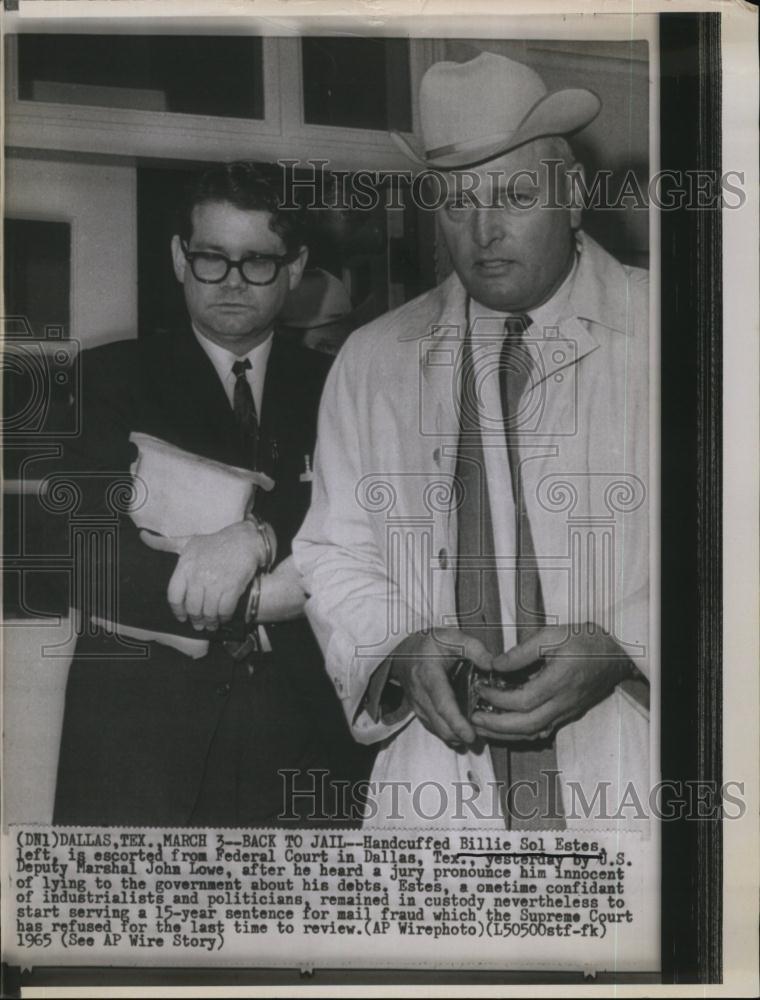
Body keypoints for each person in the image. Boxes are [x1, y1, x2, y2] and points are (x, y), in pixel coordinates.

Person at [294, 53, 650, 829]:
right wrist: (397, 649)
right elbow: (332, 552)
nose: (483, 232)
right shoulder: (374, 359)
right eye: (457, 202)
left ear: (574, 195)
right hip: (440, 786)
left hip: (639, 767)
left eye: (515, 196)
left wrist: (628, 644)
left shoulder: (688, 334)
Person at [43, 162, 371, 826]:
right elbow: (76, 555)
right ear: (177, 257)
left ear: (295, 266)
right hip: (140, 748)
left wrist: (256, 536)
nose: (230, 282)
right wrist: (250, 599)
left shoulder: (341, 386)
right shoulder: (109, 378)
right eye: (211, 259)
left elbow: (362, 522)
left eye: (256, 262)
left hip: (302, 744)